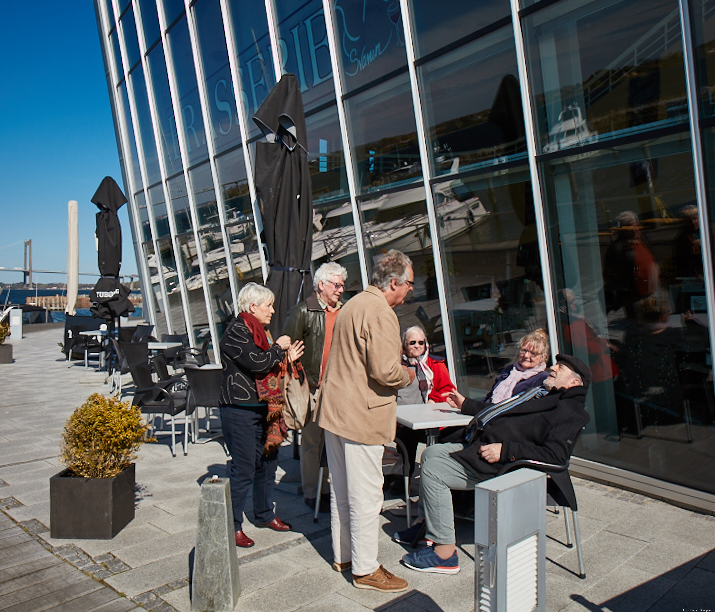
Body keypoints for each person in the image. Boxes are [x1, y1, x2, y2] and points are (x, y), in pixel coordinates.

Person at [395, 354, 591, 575]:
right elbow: (500, 411)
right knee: (431, 452)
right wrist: (466, 404)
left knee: (433, 471)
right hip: (482, 448)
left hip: (501, 466)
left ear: (574, 382)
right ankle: (428, 526)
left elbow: (556, 456)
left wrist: (506, 451)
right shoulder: (543, 394)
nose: (553, 368)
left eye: (561, 368)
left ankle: (444, 553)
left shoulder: (571, 412)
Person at [315, 249, 415, 593]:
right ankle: (366, 569)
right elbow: (385, 371)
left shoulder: (352, 304)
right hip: (362, 415)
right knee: (367, 496)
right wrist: (408, 375)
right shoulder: (381, 312)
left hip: (335, 412)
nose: (411, 290)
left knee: (342, 491)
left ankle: (344, 557)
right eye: (410, 283)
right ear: (394, 282)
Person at [218, 282, 304, 548]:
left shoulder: (261, 332)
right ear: (253, 306)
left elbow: (270, 366)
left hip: (267, 408)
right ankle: (232, 526)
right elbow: (257, 362)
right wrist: (278, 348)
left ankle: (264, 514)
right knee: (244, 468)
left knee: (268, 464)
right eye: (269, 305)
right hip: (240, 409)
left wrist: (287, 357)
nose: (273, 310)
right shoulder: (236, 331)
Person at [282, 261, 348, 512]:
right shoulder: (303, 311)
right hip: (312, 386)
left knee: (334, 441)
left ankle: (330, 487)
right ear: (321, 285)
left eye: (342, 285)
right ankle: (312, 491)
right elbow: (287, 345)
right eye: (336, 285)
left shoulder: (345, 311)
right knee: (312, 441)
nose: (340, 289)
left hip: (338, 388)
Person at [394, 325, 455, 485]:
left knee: (409, 436)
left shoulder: (436, 364)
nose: (417, 346)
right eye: (412, 342)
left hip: (428, 419)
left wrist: (433, 400)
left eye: (420, 342)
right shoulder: (395, 365)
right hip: (400, 419)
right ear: (404, 344)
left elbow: (448, 390)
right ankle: (402, 477)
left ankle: (411, 477)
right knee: (404, 435)